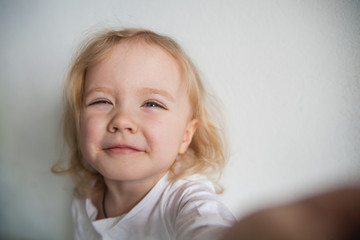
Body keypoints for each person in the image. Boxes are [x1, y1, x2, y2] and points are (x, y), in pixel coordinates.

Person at [52, 28, 235, 239]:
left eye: (151, 103)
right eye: (102, 101)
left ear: (185, 135)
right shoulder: (84, 197)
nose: (122, 121)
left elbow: (211, 227)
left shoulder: (185, 200)